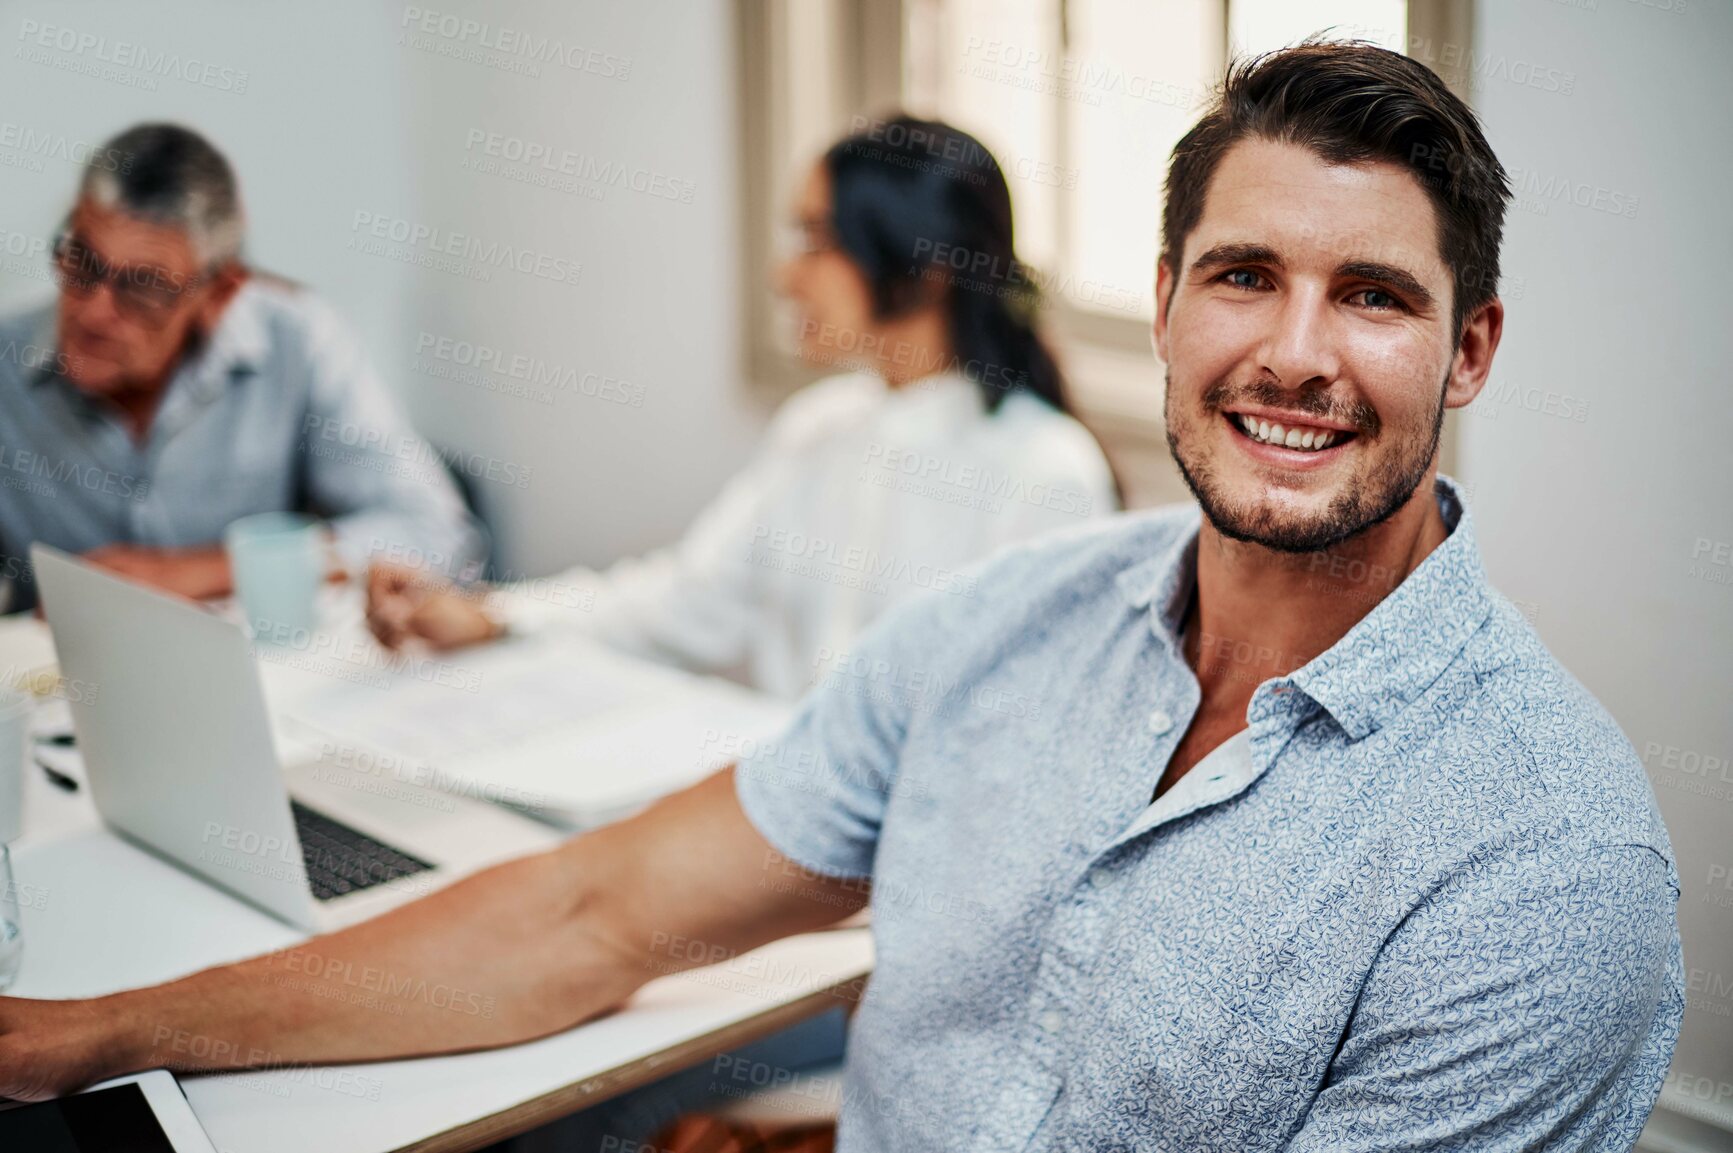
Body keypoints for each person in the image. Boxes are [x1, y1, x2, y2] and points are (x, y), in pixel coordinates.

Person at [0, 42, 1683, 1152]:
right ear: (1164, 304)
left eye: (1373, 296)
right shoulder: (1000, 630)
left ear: (1469, 350)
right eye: (1243, 274)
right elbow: (585, 916)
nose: (1295, 351)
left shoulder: (1541, 872)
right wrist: (88, 1031)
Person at [365, 116, 1118, 700]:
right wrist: (496, 615)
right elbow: (692, 597)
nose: (783, 275)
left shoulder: (1043, 474)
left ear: (921, 267)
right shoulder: (822, 425)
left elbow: (1018, 731)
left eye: (816, 241)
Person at [0, 123, 483, 614]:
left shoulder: (296, 340)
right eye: (82, 261)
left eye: (143, 286)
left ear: (221, 291)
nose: (94, 311)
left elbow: (432, 530)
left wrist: (199, 572)